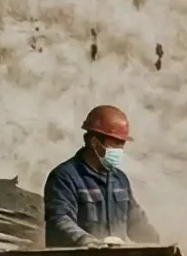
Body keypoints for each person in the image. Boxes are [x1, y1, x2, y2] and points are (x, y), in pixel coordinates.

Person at [44, 105, 158, 248]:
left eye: (122, 144)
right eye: (115, 143)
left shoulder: (119, 180)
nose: (119, 150)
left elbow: (135, 220)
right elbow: (60, 220)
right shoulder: (65, 177)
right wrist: (88, 242)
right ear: (94, 143)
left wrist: (157, 243)